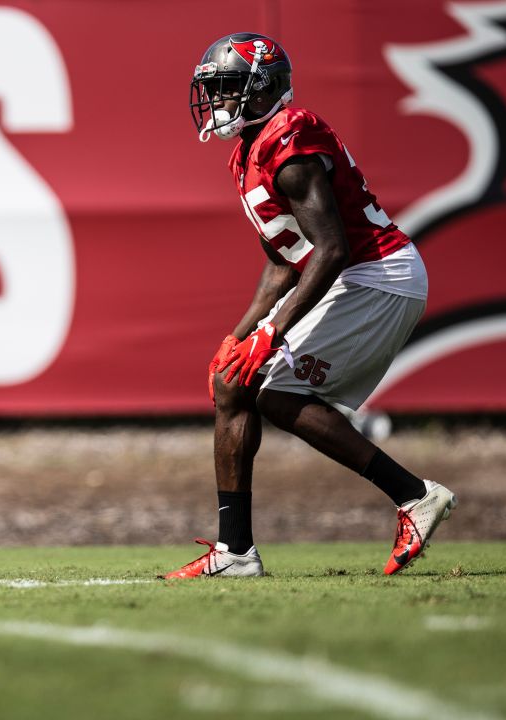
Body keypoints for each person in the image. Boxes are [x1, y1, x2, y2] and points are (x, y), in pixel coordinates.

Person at [164, 33, 456, 578]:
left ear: (261, 90)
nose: (218, 101)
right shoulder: (247, 153)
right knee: (234, 381)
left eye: (227, 88)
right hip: (352, 275)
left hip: (377, 274)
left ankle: (414, 496)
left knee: (276, 394)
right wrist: (238, 337)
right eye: (215, 90)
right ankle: (235, 553)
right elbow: (284, 261)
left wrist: (270, 338)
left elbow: (332, 250)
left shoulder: (289, 136)